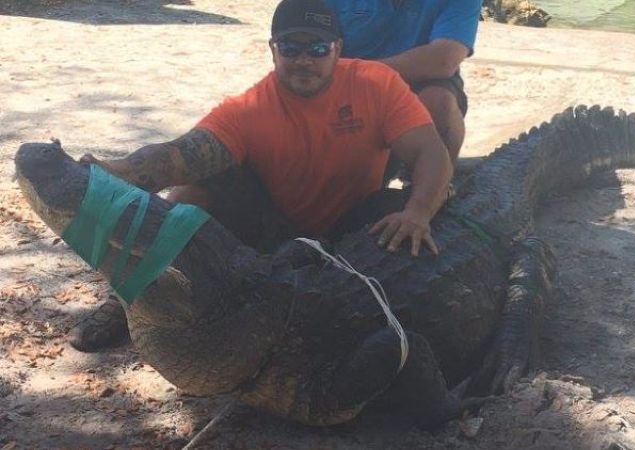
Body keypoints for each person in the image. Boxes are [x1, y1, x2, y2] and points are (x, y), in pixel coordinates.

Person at [69, 0, 453, 353]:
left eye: (318, 48)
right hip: (272, 231)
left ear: (338, 48)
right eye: (291, 48)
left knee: (405, 211)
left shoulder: (377, 84)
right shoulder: (248, 109)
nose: (304, 60)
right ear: (273, 49)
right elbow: (178, 156)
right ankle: (128, 295)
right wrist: (116, 171)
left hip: (354, 227)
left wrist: (418, 211)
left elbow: (431, 153)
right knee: (200, 186)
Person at [324, 0, 481, 174]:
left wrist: (361, 74)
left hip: (418, 83)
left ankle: (437, 185)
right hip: (345, 86)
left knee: (439, 101)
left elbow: (444, 59)